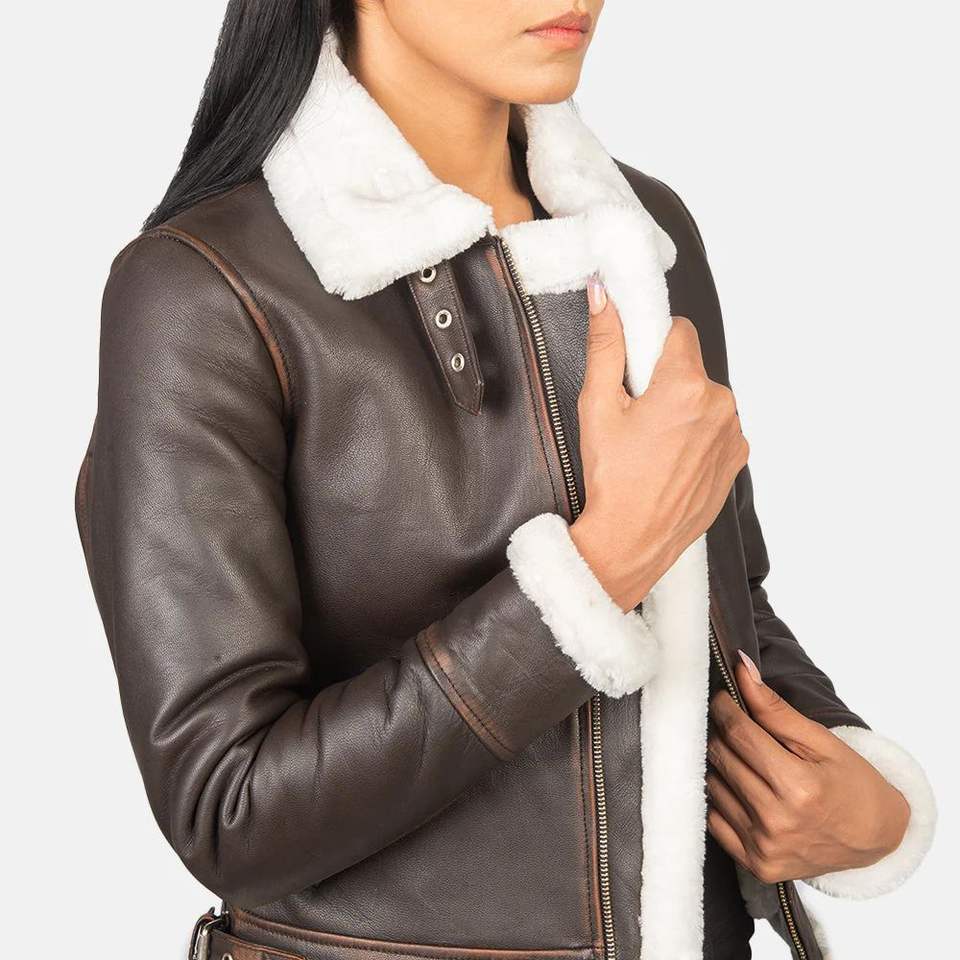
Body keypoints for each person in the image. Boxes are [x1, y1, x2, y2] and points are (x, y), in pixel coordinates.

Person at [75, 3, 936, 959]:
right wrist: (593, 574)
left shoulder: (642, 237)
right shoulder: (203, 291)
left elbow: (728, 604)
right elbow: (229, 812)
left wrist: (866, 800)